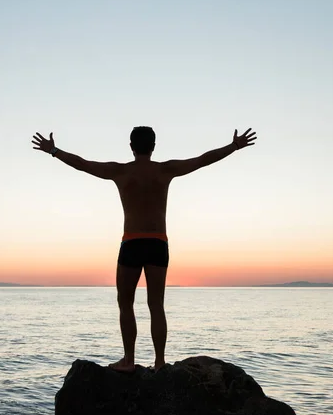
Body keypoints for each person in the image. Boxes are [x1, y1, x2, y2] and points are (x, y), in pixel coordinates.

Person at [32, 126, 257, 372]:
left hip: (132, 242)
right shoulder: (164, 170)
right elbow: (202, 160)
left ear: (131, 146)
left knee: (125, 302)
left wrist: (53, 150)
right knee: (156, 305)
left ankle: (129, 361)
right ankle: (159, 362)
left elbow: (82, 164)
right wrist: (233, 146)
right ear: (153, 146)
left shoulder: (121, 171)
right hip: (158, 242)